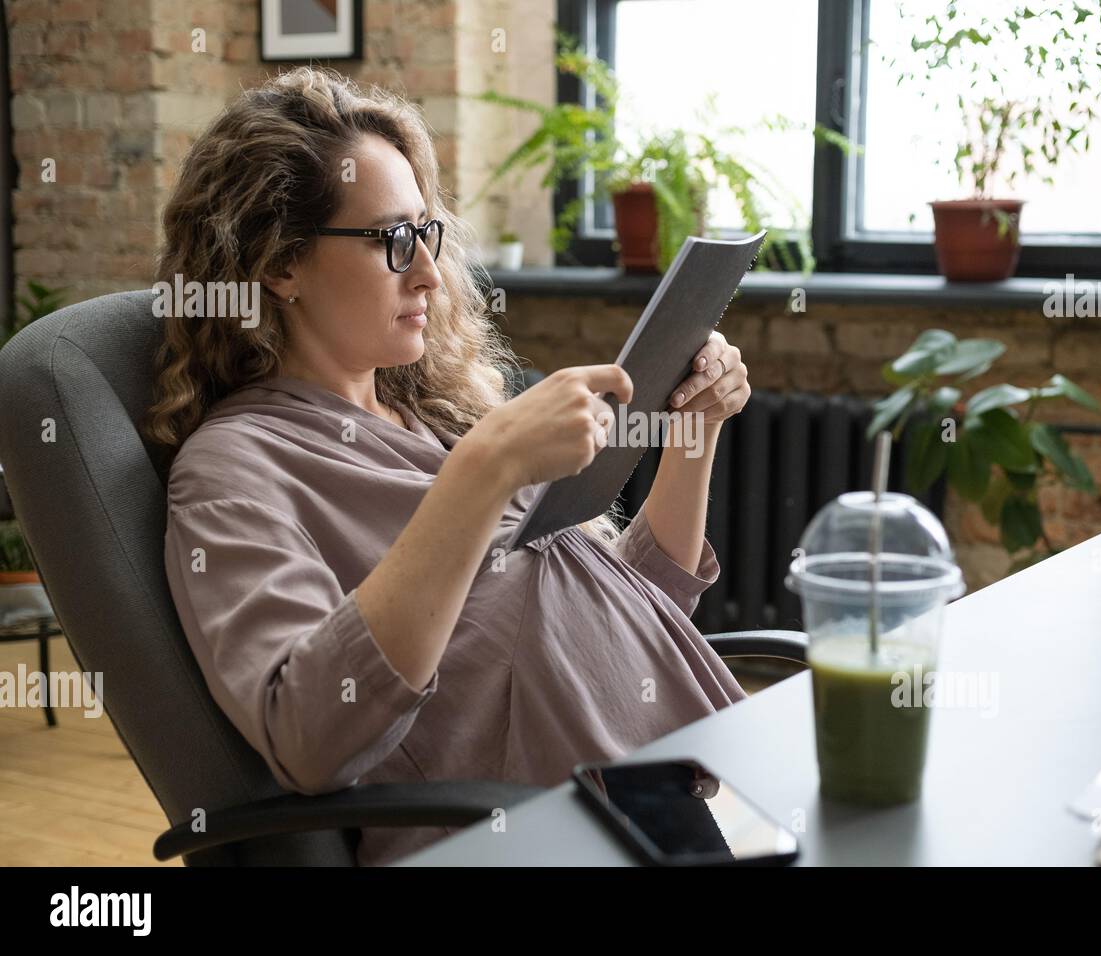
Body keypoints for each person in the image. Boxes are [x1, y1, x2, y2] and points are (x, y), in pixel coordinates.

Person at [142, 66, 754, 866]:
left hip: (650, 792)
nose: (430, 273)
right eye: (393, 240)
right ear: (280, 264)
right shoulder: (235, 468)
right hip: (516, 838)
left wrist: (693, 435)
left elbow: (633, 608)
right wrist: (480, 475)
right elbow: (307, 734)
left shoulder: (434, 411)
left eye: (426, 234)